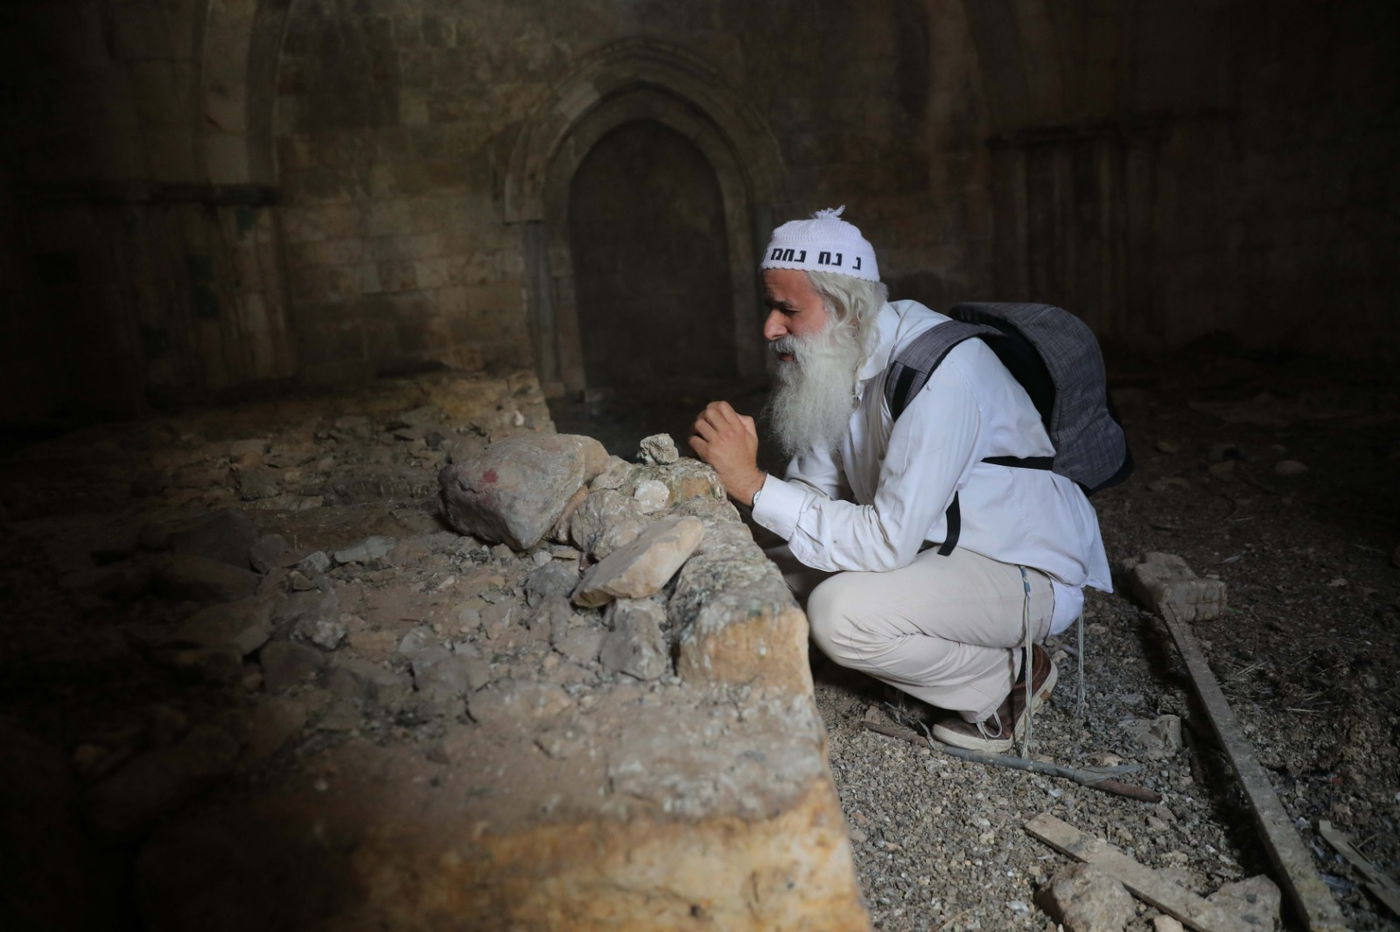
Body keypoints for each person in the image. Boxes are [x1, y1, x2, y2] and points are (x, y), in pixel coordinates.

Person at [689, 207, 1111, 753]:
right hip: (927, 546)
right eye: (771, 306)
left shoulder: (944, 372)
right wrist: (748, 501)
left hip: (1019, 567)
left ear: (847, 308)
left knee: (837, 615)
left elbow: (885, 540)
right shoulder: (840, 356)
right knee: (762, 577)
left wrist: (752, 484)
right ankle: (929, 645)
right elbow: (817, 490)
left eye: (787, 310)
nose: (770, 328)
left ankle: (1005, 681)